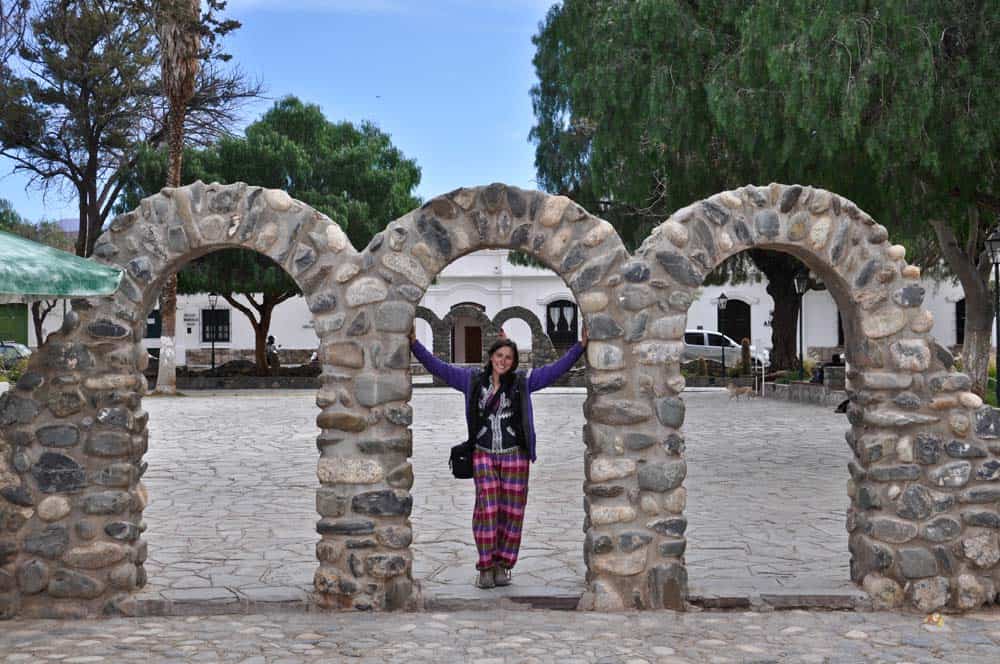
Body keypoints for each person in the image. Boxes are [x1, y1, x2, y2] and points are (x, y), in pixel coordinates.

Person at [409, 326, 588, 589]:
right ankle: (485, 566)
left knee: (512, 513)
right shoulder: (471, 381)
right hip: (484, 456)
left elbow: (555, 371)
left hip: (515, 456)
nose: (503, 361)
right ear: (491, 357)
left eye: (508, 358)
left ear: (513, 362)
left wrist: (580, 347)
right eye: (499, 356)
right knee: (487, 511)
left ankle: (503, 565)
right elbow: (438, 368)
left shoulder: (522, 383)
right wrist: (414, 344)